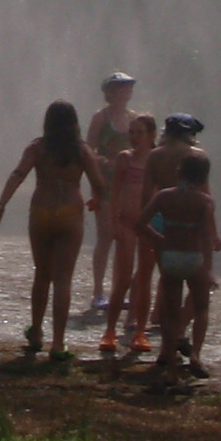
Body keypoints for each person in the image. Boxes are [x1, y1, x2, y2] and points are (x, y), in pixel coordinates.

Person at [0, 99, 108, 359]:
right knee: (63, 280)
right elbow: (98, 183)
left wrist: (2, 203)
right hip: (70, 215)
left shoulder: (38, 147)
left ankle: (36, 332)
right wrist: (97, 200)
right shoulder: (81, 150)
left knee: (42, 275)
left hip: (41, 213)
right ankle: (58, 343)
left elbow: (18, 174)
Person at [140, 152, 221, 381]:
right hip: (193, 258)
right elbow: (206, 237)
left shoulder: (164, 196)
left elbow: (140, 223)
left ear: (180, 173)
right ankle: (195, 355)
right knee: (201, 308)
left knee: (171, 314)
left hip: (170, 257)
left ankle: (171, 370)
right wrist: (209, 269)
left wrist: (159, 239)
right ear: (204, 177)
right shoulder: (205, 201)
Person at [101, 113, 159, 358]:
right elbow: (115, 193)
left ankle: (139, 330)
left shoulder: (158, 160)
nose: (134, 138)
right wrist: (113, 222)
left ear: (152, 135)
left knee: (144, 279)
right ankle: (110, 330)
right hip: (126, 223)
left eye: (140, 133)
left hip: (149, 226)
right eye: (131, 133)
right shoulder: (125, 159)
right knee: (122, 279)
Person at [84, 72, 140, 311]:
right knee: (106, 236)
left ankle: (119, 290)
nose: (125, 92)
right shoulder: (101, 118)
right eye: (120, 88)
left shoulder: (134, 118)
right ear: (109, 92)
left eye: (127, 88)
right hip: (105, 184)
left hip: (130, 186)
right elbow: (88, 149)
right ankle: (98, 292)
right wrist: (105, 162)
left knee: (125, 239)